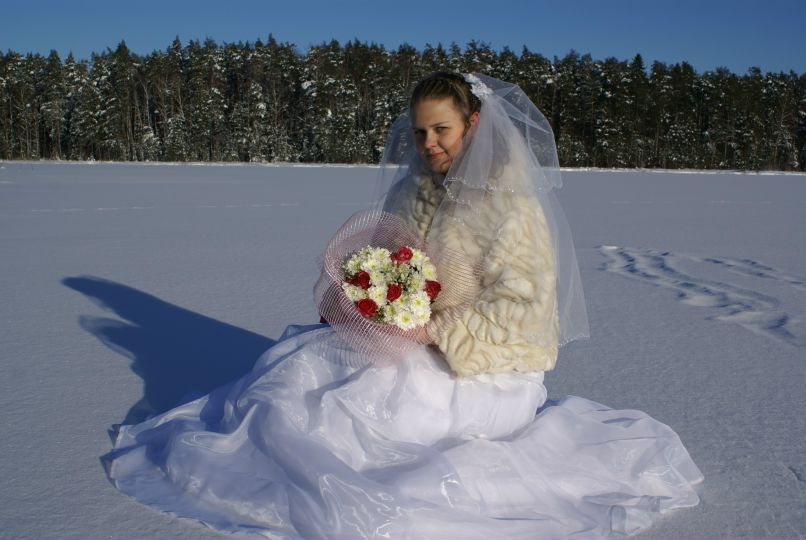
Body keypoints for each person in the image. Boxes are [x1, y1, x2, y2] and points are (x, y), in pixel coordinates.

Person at [107, 73, 703, 539]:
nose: (428, 144)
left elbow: (524, 308)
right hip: (408, 339)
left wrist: (434, 331)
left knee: (373, 407)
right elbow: (388, 261)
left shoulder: (512, 206)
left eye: (441, 130)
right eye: (419, 132)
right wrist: (366, 299)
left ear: (473, 124)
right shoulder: (410, 188)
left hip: (487, 366)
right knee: (301, 368)